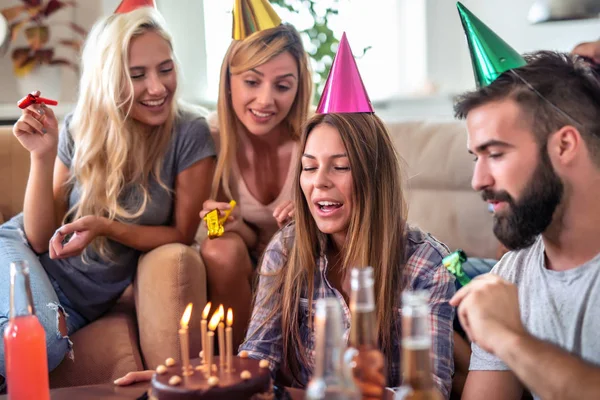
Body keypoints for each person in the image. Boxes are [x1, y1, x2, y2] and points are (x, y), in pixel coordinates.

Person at [0, 4, 215, 379]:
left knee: (42, 345)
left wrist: (105, 226)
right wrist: (43, 155)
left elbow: (181, 234)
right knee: (43, 342)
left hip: (79, 300)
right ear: (109, 78)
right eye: (137, 75)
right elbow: (36, 239)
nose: (157, 87)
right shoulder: (80, 127)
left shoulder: (189, 134)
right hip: (18, 255)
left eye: (165, 69)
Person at [451, 50, 600, 399]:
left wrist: (509, 337)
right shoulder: (511, 274)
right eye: (477, 157)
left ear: (564, 145)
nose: (478, 180)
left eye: (496, 154)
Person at [198, 1, 313, 349]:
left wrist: (311, 217)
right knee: (219, 250)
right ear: (229, 82)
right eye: (252, 81)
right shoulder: (210, 140)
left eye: (282, 86)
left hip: (303, 264)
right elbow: (209, 233)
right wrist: (223, 224)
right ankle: (244, 365)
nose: (265, 101)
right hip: (243, 268)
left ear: (298, 88)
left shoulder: (314, 141)